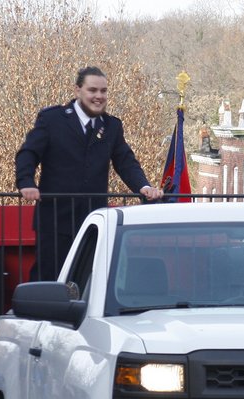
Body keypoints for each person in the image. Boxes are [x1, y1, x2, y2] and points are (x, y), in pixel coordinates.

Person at [15, 65, 163, 281]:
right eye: (92, 90)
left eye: (103, 91)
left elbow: (125, 162)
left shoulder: (112, 126)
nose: (99, 96)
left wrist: (144, 186)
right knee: (48, 279)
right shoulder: (52, 120)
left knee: (89, 281)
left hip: (94, 221)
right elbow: (28, 153)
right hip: (55, 220)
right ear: (78, 91)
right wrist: (26, 182)